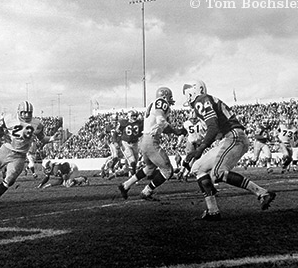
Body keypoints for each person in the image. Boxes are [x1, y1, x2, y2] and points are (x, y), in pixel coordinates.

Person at [182, 79, 276, 221]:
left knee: (218, 172)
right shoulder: (208, 99)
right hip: (230, 137)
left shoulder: (201, 100)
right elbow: (216, 130)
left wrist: (200, 149)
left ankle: (262, 193)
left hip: (234, 137)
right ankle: (213, 210)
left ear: (192, 92)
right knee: (198, 168)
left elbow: (213, 127)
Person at [0, 101, 58, 209]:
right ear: (18, 112)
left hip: (19, 156)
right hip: (5, 150)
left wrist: (52, 138)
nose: (26, 115)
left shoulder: (37, 124)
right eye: (24, 112)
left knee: (10, 179)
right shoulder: (9, 118)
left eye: (29, 113)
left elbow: (42, 138)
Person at [118, 86, 187, 201]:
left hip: (144, 140)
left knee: (150, 168)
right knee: (167, 171)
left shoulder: (153, 105)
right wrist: (176, 131)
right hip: (151, 141)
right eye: (169, 97)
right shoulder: (161, 102)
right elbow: (161, 120)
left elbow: (160, 125)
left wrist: (175, 131)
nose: (170, 99)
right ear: (164, 96)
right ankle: (147, 191)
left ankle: (125, 185)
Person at [176, 110, 206, 181]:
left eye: (194, 119)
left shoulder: (188, 123)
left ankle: (184, 173)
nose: (193, 120)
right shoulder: (201, 122)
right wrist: (179, 142)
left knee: (193, 160)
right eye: (192, 119)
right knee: (189, 158)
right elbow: (183, 133)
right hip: (193, 142)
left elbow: (183, 134)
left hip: (198, 142)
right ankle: (182, 172)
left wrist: (179, 143)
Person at [117, 109, 144, 176]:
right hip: (126, 143)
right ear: (129, 116)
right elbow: (117, 130)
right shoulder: (124, 122)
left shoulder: (139, 123)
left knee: (136, 160)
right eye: (133, 116)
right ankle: (133, 176)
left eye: (135, 116)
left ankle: (127, 171)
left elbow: (140, 133)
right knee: (132, 161)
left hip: (135, 143)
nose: (134, 117)